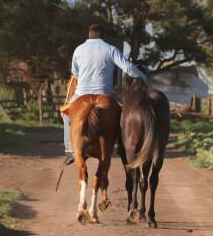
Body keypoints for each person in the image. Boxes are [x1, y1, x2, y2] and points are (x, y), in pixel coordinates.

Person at [61, 24, 148, 165]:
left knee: (65, 114)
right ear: (104, 36)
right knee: (123, 113)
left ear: (89, 35)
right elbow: (128, 68)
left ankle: (70, 150)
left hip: (82, 92)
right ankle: (121, 144)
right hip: (105, 92)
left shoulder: (79, 49)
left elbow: (75, 73)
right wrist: (143, 78)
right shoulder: (110, 49)